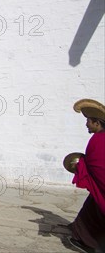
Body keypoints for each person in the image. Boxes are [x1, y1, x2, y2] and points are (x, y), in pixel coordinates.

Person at [68, 99, 105, 253]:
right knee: (90, 207)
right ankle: (82, 234)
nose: (86, 125)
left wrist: (79, 165)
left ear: (97, 122)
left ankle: (85, 241)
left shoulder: (98, 140)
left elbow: (97, 168)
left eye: (88, 121)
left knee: (96, 208)